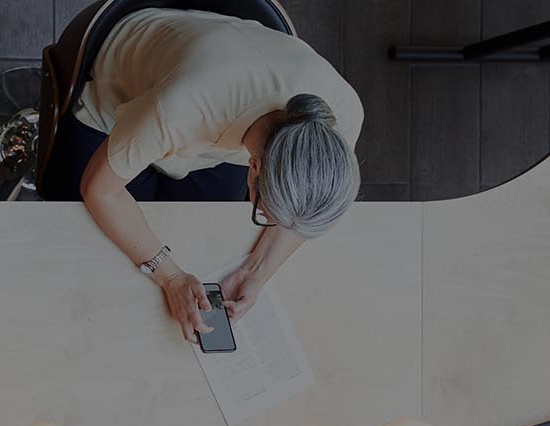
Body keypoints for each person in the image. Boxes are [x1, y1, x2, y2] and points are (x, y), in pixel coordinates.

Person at [42, 8, 363, 343]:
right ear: (255, 167)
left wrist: (255, 271)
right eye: (267, 213)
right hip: (119, 105)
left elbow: (302, 216)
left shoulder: (342, 117)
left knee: (198, 237)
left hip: (208, 138)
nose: (275, 222)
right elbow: (100, 190)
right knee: (83, 237)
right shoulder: (184, 106)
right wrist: (171, 278)